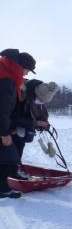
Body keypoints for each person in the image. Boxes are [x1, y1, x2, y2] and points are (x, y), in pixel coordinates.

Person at [0, 48, 36, 199]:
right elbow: (2, 109)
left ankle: (7, 183)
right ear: (21, 66)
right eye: (27, 70)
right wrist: (4, 133)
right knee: (7, 156)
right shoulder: (7, 79)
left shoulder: (5, 71)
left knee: (9, 154)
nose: (26, 74)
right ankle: (2, 189)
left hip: (4, 123)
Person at [11, 79, 60, 175]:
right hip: (9, 130)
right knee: (11, 152)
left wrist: (44, 124)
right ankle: (10, 171)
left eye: (43, 102)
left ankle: (15, 168)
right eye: (41, 100)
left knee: (19, 148)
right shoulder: (19, 95)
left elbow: (39, 115)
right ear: (36, 94)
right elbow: (11, 118)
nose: (41, 103)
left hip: (22, 132)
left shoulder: (38, 98)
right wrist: (35, 123)